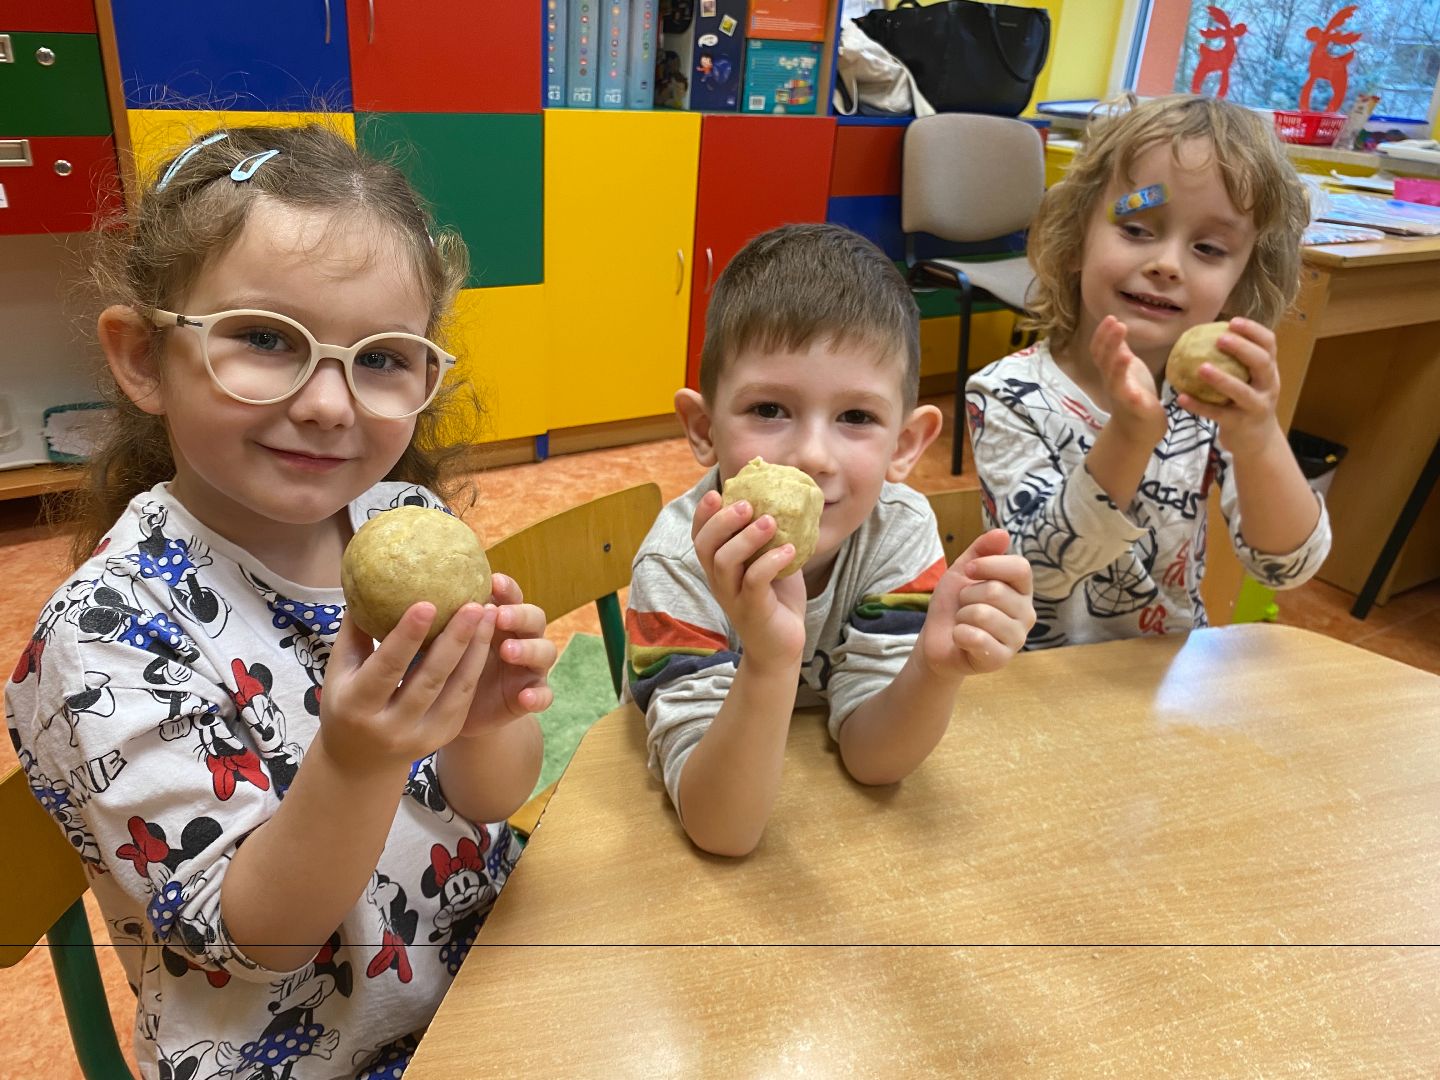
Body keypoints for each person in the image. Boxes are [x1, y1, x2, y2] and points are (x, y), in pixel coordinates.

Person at [5, 124, 554, 1078]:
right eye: (265, 339)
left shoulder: (405, 517)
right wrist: (355, 762)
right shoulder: (108, 637)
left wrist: (483, 721)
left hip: (487, 993)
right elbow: (256, 940)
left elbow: (493, 800)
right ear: (144, 358)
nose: (331, 404)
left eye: (382, 357)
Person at [625, 223, 1036, 857]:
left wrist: (932, 671)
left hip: (827, 804)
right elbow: (721, 830)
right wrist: (771, 660)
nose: (812, 456)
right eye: (769, 409)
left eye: (856, 417)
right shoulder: (678, 563)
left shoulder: (897, 531)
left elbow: (873, 761)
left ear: (905, 445)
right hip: (694, 807)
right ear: (704, 429)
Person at [965, 94, 1331, 648]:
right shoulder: (1008, 394)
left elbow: (1286, 567)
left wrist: (1258, 437)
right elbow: (1037, 574)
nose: (1166, 264)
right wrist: (1130, 436)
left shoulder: (1214, 404)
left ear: (1240, 282)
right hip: (1036, 676)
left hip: (1166, 674)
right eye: (1136, 229)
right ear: (1075, 241)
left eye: (1209, 248)